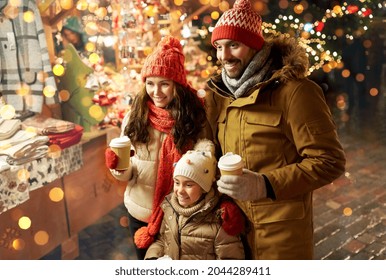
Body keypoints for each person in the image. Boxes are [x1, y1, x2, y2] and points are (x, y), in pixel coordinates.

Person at [205, 0, 346, 260]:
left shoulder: (296, 92)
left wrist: (264, 184)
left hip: (280, 239)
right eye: (219, 46)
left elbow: (330, 161)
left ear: (255, 46)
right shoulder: (220, 95)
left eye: (234, 45)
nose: (224, 56)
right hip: (232, 236)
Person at [108, 35, 213, 259]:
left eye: (164, 83)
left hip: (181, 215)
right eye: (150, 83)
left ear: (177, 84)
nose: (156, 92)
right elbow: (127, 175)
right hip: (141, 214)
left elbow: (205, 164)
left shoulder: (194, 118)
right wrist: (118, 167)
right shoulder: (135, 118)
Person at [144, 139, 245, 260]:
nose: (180, 190)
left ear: (203, 188)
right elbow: (162, 241)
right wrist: (152, 258)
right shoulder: (169, 210)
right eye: (177, 183)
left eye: (188, 185)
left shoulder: (219, 220)